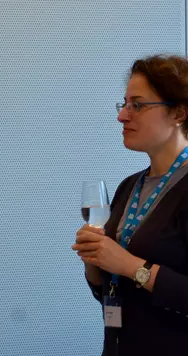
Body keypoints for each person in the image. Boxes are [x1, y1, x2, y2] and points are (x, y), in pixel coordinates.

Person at [72, 54, 188, 356]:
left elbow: (132, 270)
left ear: (179, 112)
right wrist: (95, 261)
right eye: (124, 104)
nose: (123, 115)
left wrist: (130, 266)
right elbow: (112, 292)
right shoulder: (129, 186)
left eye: (137, 105)